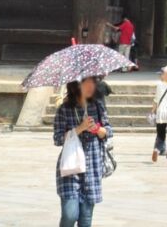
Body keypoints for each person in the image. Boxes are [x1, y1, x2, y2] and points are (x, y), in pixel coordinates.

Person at [47, 74, 112, 227]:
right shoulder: (64, 109)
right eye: (87, 83)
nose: (91, 87)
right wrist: (80, 129)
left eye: (93, 83)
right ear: (76, 86)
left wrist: (97, 129)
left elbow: (108, 131)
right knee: (70, 215)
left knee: (86, 218)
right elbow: (57, 138)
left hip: (92, 165)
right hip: (71, 167)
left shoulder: (97, 106)